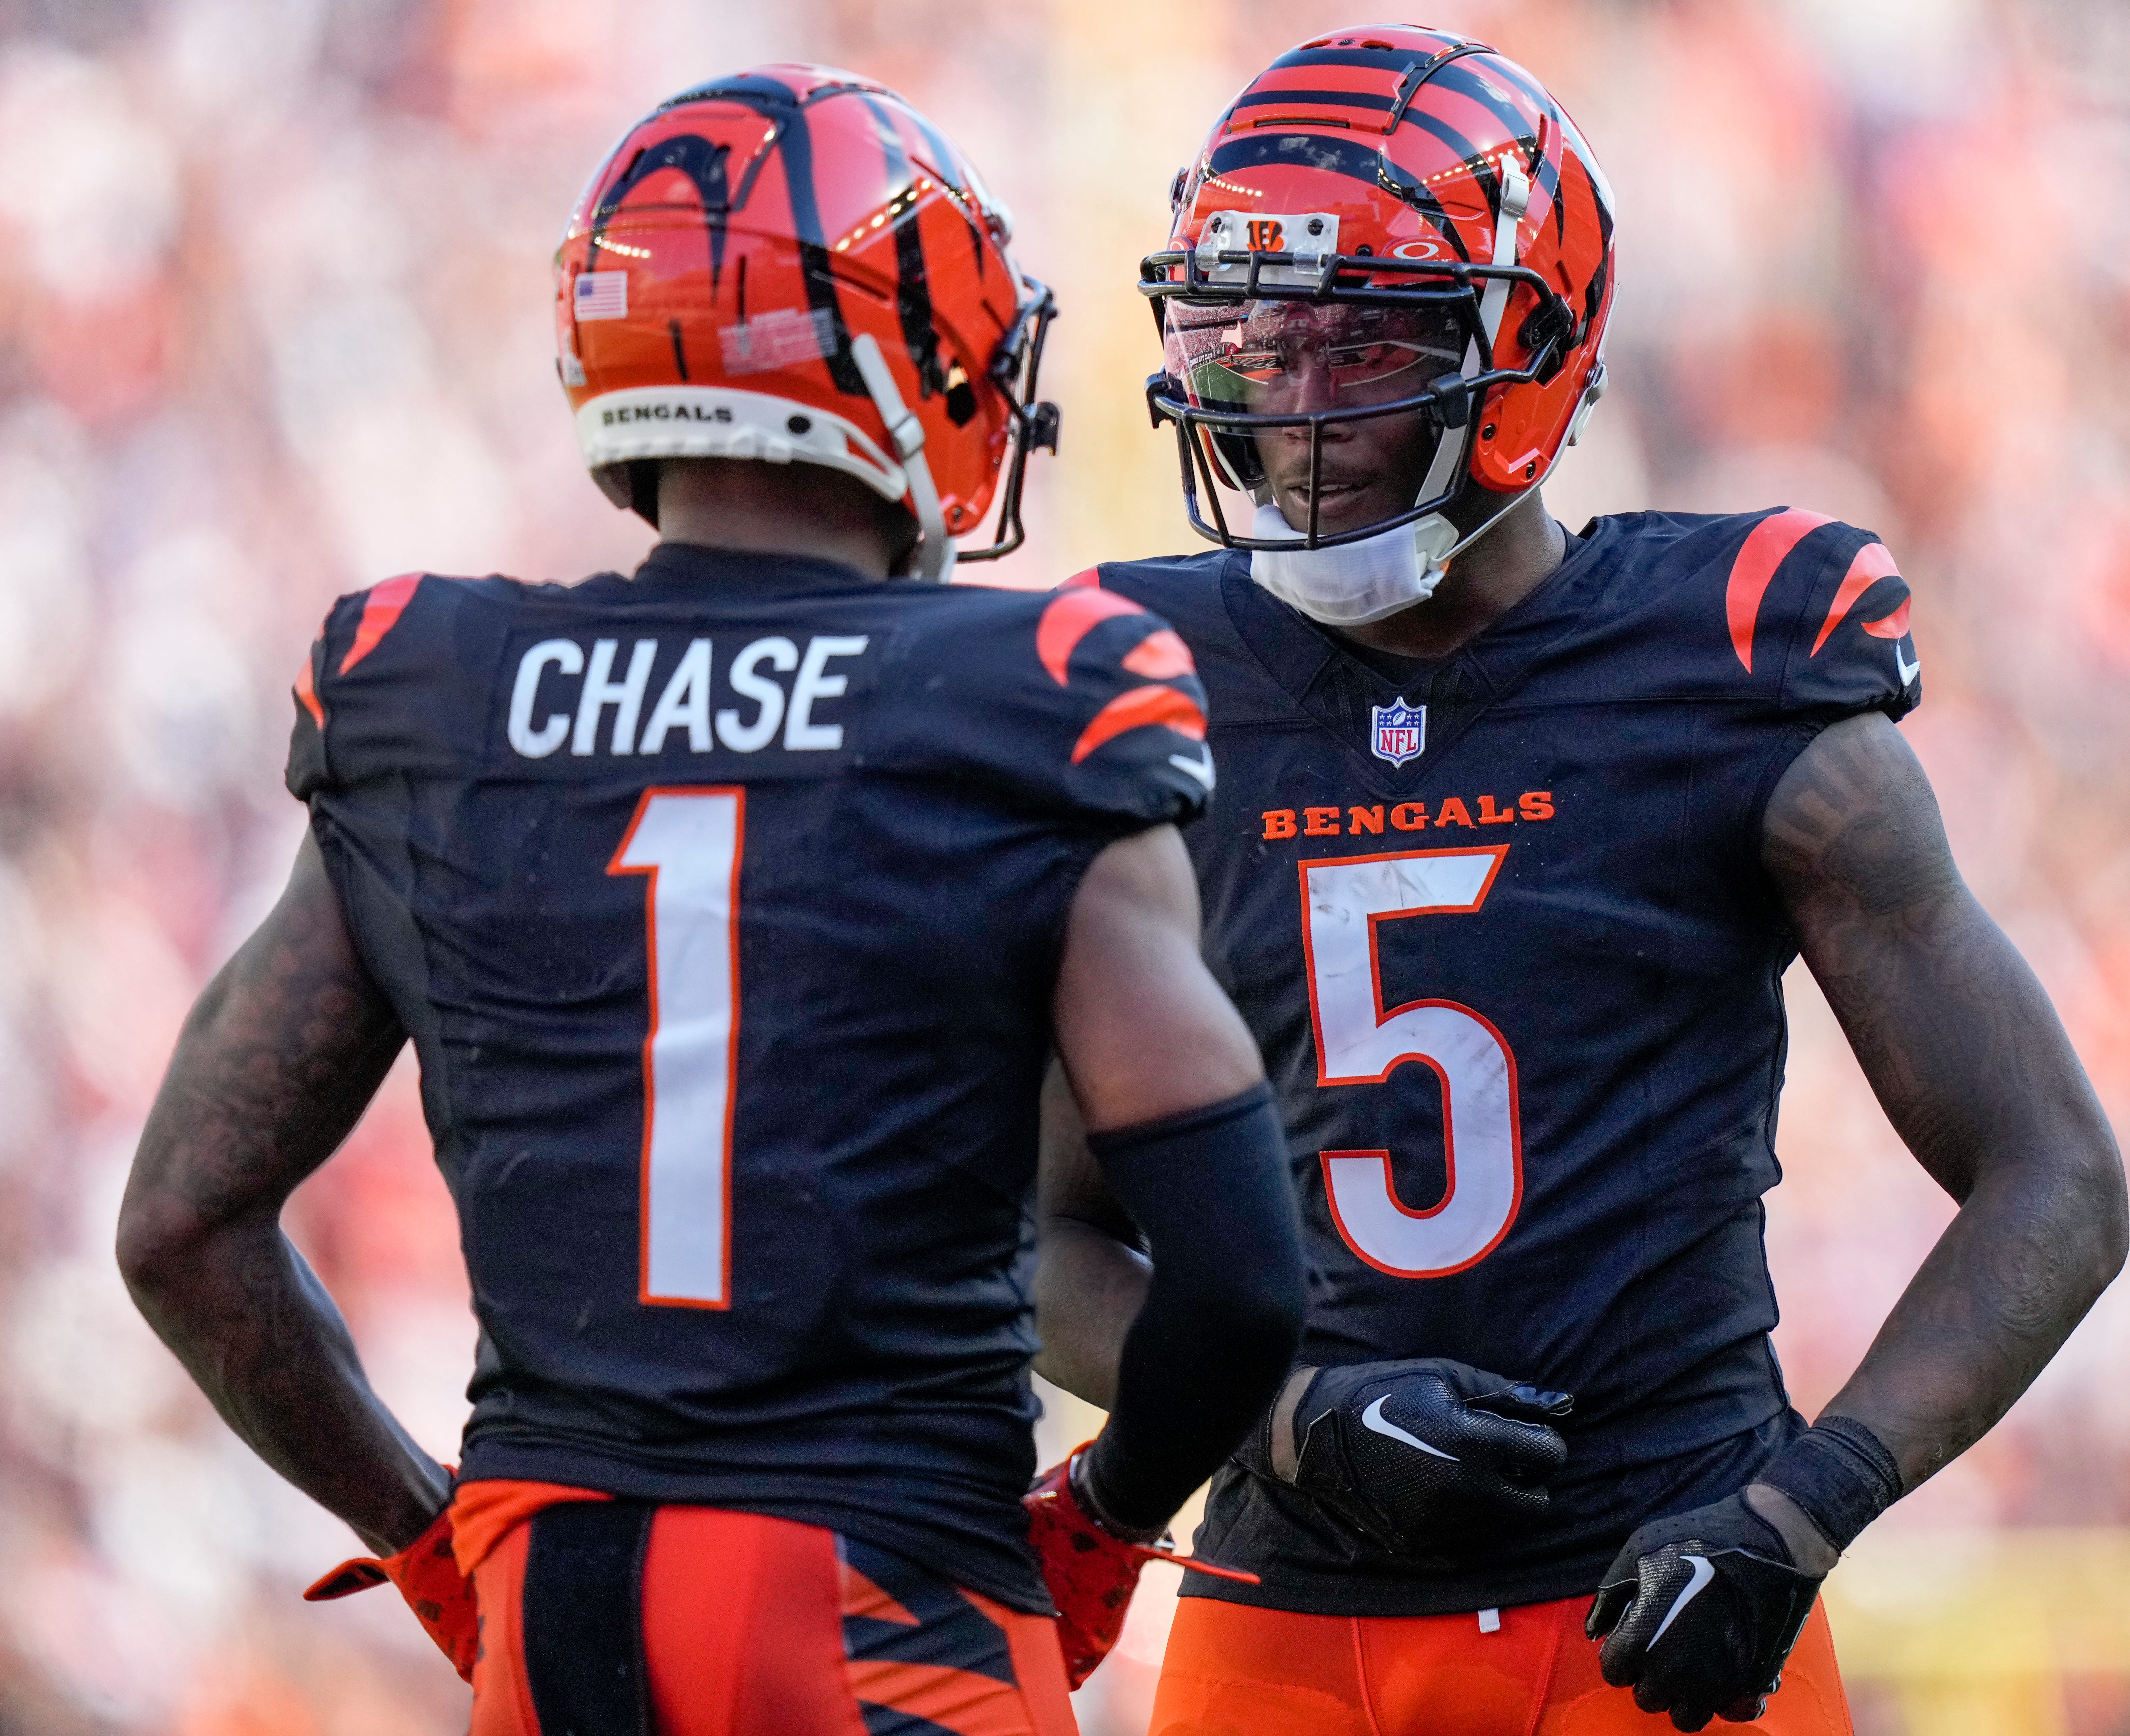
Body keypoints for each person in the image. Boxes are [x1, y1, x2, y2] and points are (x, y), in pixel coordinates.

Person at [116, 64, 1305, 1736]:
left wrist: (430, 1533)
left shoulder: (435, 690)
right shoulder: (1035, 692)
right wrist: (1102, 1529)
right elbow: (1241, 1281)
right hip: (887, 1589)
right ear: (916, 358)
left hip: (560, 1590)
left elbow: (180, 1226)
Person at [1034, 25, 2130, 1735]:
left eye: (1365, 346)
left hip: (1650, 1612)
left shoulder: (1732, 664)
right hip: (1284, 1622)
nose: (1304, 412)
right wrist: (1291, 1415)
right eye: (1264, 348)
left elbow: (2056, 1175)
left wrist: (1797, 1510)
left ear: (1524, 344)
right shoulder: (1150, 686)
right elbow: (1029, 1230)